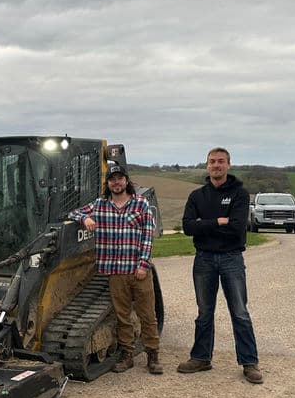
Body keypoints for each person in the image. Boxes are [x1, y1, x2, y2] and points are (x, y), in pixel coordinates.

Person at [67, 165, 162, 374]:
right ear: (108, 184)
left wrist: (143, 265)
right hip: (115, 272)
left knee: (147, 315)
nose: (116, 183)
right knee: (122, 317)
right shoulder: (100, 205)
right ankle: (127, 355)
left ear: (126, 181)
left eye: (119, 179)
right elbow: (73, 212)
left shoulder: (140, 204)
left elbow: (148, 236)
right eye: (112, 180)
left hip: (138, 271)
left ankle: (153, 356)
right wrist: (85, 218)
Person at [179, 147, 263, 384]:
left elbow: (237, 227)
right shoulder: (197, 196)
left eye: (221, 162)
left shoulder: (240, 194)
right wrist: (218, 221)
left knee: (240, 312)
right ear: (207, 166)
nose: (216, 165)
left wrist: (203, 224)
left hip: (231, 258)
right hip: (203, 258)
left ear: (228, 165)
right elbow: (187, 227)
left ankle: (249, 362)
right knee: (204, 312)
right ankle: (201, 358)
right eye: (212, 161)